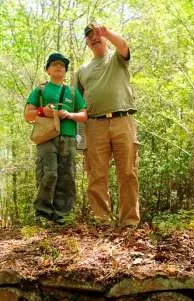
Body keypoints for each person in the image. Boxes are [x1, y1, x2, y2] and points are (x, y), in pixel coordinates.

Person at [76, 23, 140, 228]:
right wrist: (80, 139)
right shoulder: (82, 71)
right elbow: (79, 105)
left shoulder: (116, 59)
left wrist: (107, 32)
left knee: (128, 173)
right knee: (96, 175)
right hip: (94, 126)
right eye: (90, 37)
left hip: (123, 121)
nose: (94, 38)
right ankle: (102, 220)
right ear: (87, 43)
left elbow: (123, 46)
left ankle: (129, 222)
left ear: (104, 38)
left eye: (97, 35)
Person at [24, 53, 87, 225]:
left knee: (67, 176)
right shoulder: (41, 90)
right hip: (47, 137)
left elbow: (84, 115)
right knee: (48, 173)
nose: (59, 67)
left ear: (65, 70)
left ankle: (62, 216)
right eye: (55, 64)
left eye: (62, 65)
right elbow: (28, 115)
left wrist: (69, 114)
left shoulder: (72, 92)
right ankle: (42, 214)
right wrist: (41, 111)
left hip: (69, 138)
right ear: (48, 69)